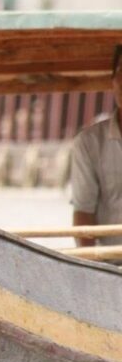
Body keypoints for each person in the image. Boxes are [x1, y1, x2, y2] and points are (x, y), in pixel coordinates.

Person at [70, 53, 122, 248]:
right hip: (112, 264)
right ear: (113, 81)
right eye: (121, 72)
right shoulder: (88, 143)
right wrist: (91, 269)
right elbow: (83, 211)